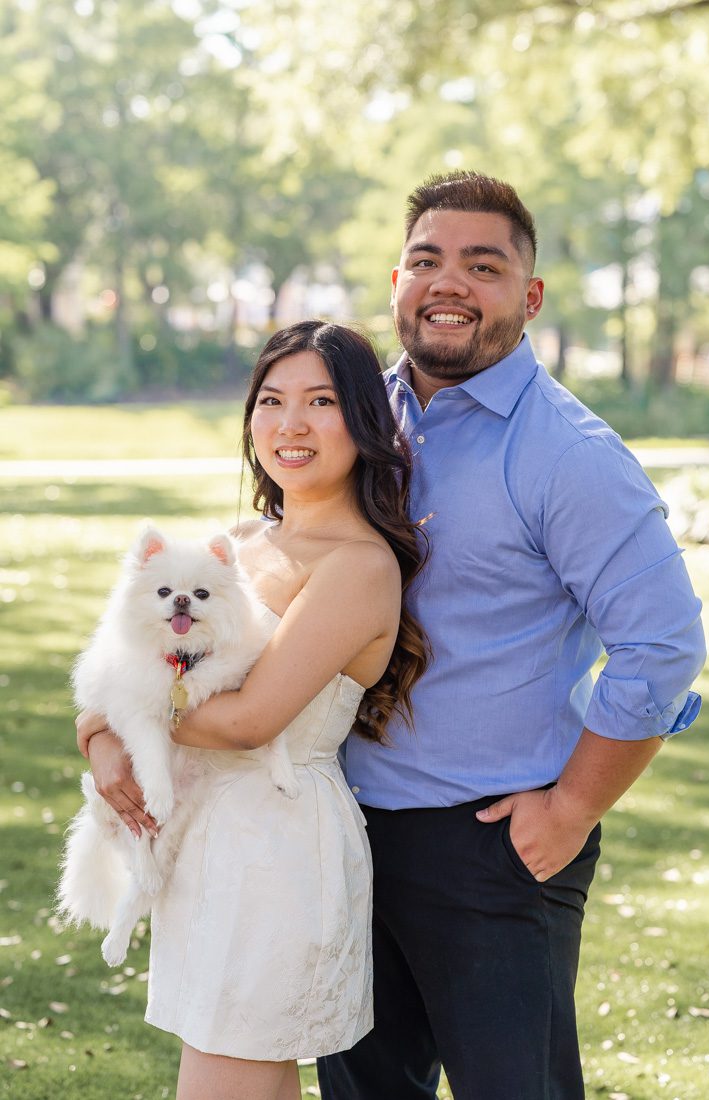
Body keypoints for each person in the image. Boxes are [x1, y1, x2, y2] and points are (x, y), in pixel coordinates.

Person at [316, 172, 706, 1100]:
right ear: (397, 283)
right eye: (426, 260)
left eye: (481, 265)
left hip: (491, 844)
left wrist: (571, 807)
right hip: (337, 829)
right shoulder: (349, 421)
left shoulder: (567, 454)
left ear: (527, 298)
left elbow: (660, 646)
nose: (448, 282)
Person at [75, 320, 429, 1100]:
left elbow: (246, 722)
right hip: (206, 835)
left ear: (364, 420)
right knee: (244, 1078)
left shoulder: (358, 565)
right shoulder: (236, 542)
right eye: (270, 401)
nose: (289, 424)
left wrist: (114, 716)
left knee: (223, 1077)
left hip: (274, 846)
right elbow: (129, 660)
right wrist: (99, 738)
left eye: (320, 401)